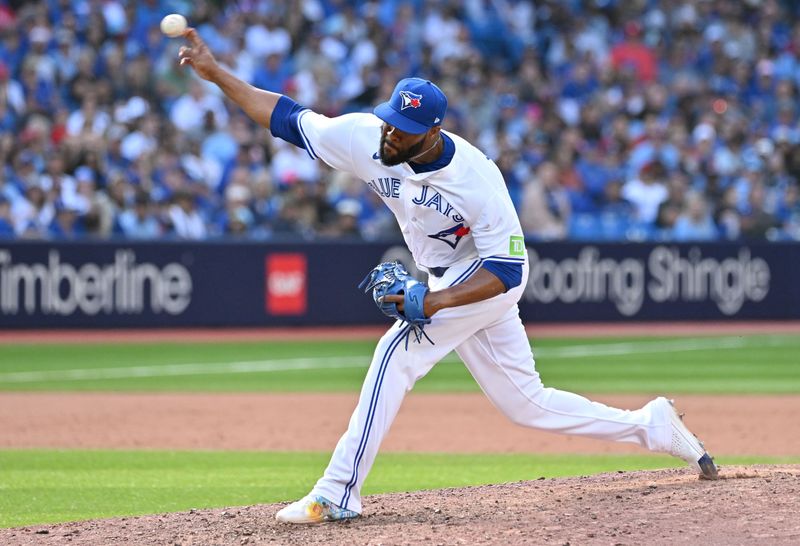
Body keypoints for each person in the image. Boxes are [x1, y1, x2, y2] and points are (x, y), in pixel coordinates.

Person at [177, 28, 718, 524]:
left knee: (396, 353)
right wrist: (218, 73)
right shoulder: (369, 136)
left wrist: (431, 303)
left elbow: (507, 270)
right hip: (445, 273)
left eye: (407, 129)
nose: (392, 134)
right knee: (524, 403)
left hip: (487, 276)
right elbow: (288, 119)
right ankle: (652, 424)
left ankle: (338, 491)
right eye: (391, 120)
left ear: (433, 131)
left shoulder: (476, 177)